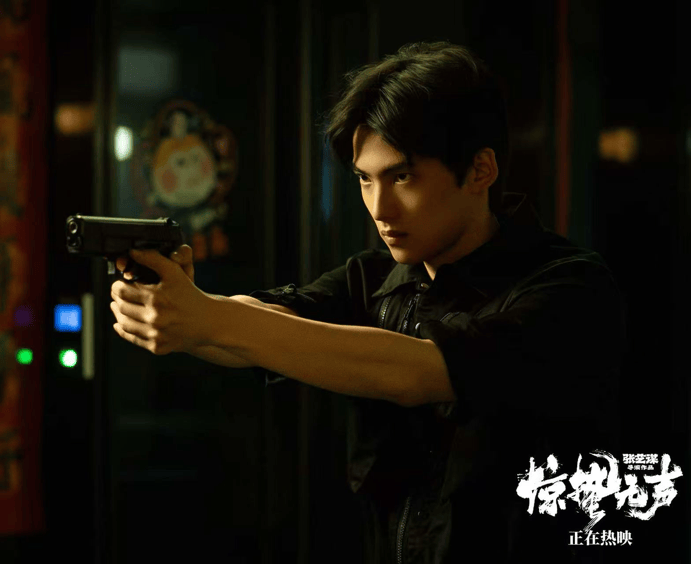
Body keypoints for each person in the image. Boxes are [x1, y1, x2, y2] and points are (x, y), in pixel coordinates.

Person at [109, 41, 625, 563]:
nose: (380, 208)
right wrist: (181, 308)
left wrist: (208, 317)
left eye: (402, 177)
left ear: (480, 170)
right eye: (364, 179)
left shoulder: (568, 287)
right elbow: (263, 329)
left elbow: (421, 373)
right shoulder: (374, 277)